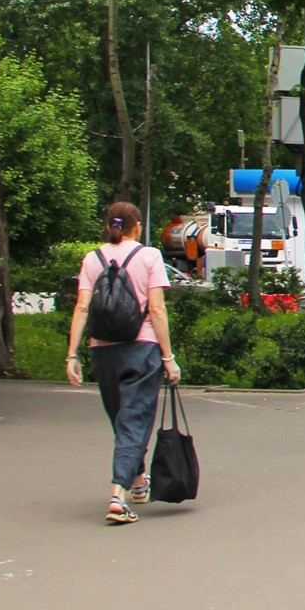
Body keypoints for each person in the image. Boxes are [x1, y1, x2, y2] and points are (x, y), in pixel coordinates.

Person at [66, 202, 180, 525]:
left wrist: (72, 355)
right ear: (138, 226)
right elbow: (156, 310)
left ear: (109, 226)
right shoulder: (149, 256)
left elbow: (82, 308)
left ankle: (139, 482)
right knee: (134, 420)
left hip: (103, 351)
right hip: (141, 348)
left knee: (123, 420)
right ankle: (118, 496)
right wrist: (168, 358)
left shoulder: (92, 259)